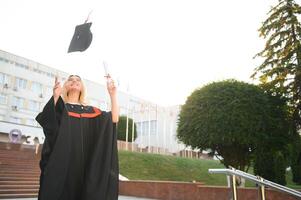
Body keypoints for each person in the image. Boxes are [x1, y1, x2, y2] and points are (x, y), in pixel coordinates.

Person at [35, 74, 119, 200]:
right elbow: (48, 124)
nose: (74, 81)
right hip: (64, 169)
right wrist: (56, 96)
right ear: (65, 86)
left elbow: (113, 119)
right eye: (70, 79)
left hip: (87, 170)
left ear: (82, 87)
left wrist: (113, 94)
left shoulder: (92, 112)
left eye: (78, 80)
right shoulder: (59, 109)